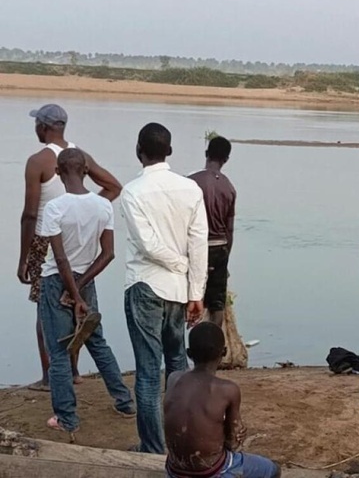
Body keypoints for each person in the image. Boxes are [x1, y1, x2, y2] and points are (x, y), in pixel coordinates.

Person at [18, 104, 122, 391]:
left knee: (46, 312)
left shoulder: (38, 161)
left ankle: (49, 376)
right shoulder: (80, 156)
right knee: (77, 304)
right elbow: (114, 186)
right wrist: (89, 208)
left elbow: (29, 214)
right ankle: (74, 370)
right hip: (81, 239)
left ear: (42, 127)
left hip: (46, 241)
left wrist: (24, 257)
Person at [122, 123, 208, 454]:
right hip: (177, 289)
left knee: (147, 374)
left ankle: (154, 449)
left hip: (146, 284)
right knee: (176, 367)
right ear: (169, 152)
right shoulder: (190, 189)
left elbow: (147, 245)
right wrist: (195, 290)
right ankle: (181, 444)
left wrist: (179, 267)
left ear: (139, 150)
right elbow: (198, 242)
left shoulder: (132, 192)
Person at [37, 149, 135, 437]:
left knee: (57, 352)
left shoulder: (55, 208)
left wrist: (72, 293)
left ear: (57, 171)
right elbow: (108, 254)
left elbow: (60, 258)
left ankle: (67, 417)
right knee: (96, 342)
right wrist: (81, 290)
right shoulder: (103, 205)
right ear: (86, 171)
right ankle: (124, 402)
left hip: (57, 282)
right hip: (86, 280)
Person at [164, 322, 280, 478]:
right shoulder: (227, 389)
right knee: (273, 469)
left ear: (189, 353)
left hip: (175, 471)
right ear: (224, 352)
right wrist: (235, 433)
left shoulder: (173, 379)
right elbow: (233, 443)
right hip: (211, 471)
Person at [188, 136, 237, 327]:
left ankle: (190, 346)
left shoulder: (190, 182)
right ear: (226, 159)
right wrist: (225, 260)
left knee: (190, 297)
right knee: (216, 304)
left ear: (206, 154)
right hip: (220, 248)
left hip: (196, 246)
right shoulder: (229, 187)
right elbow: (229, 229)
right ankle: (213, 347)